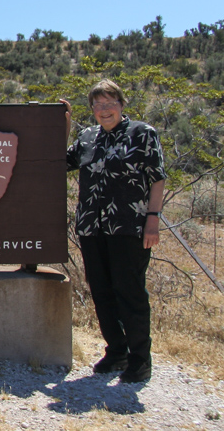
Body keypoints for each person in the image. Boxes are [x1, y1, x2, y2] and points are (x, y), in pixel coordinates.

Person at [61, 79, 166, 383]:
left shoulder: (141, 134)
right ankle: (116, 351)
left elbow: (157, 178)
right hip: (92, 227)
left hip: (129, 226)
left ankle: (140, 359)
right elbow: (62, 160)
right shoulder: (88, 137)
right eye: (98, 104)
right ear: (92, 109)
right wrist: (65, 124)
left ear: (122, 104)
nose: (104, 110)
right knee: (102, 291)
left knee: (129, 291)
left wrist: (153, 219)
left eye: (110, 103)